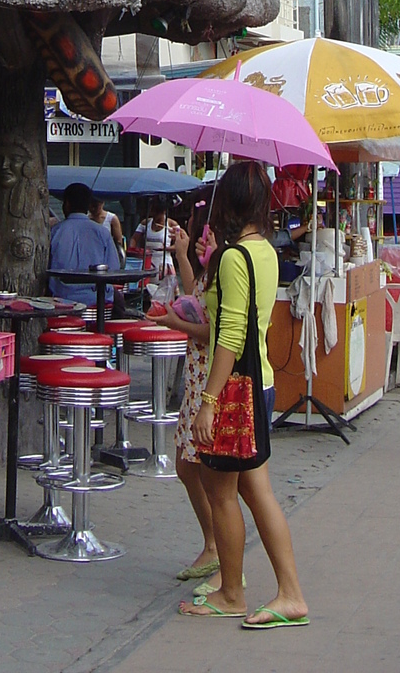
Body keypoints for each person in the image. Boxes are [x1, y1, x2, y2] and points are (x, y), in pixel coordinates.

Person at [180, 160, 309, 630]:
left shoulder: (235, 257)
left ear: (229, 203)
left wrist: (208, 402)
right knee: (258, 492)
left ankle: (233, 592)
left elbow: (229, 334)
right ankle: (289, 593)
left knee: (222, 493)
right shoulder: (265, 251)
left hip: (236, 390)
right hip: (261, 383)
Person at [154, 204, 217, 585]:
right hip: (197, 377)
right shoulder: (215, 264)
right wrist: (182, 256)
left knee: (205, 472)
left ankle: (218, 549)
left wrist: (173, 322)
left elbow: (215, 330)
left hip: (207, 378)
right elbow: (197, 298)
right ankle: (215, 545)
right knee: (188, 465)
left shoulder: (229, 262)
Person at [48, 182, 118, 306]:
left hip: (62, 301)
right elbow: (114, 269)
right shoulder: (103, 233)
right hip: (99, 301)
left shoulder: (55, 232)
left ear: (67, 204)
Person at [133, 206, 175, 278]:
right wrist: (134, 252)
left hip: (164, 261)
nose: (154, 215)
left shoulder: (172, 224)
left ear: (163, 212)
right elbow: (134, 239)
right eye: (153, 213)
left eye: (157, 213)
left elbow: (179, 246)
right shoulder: (145, 223)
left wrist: (166, 248)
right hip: (148, 261)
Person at [90, 196, 125, 268]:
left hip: (107, 253)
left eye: (97, 205)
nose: (94, 209)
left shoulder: (112, 218)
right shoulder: (87, 218)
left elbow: (119, 241)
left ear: (102, 203)